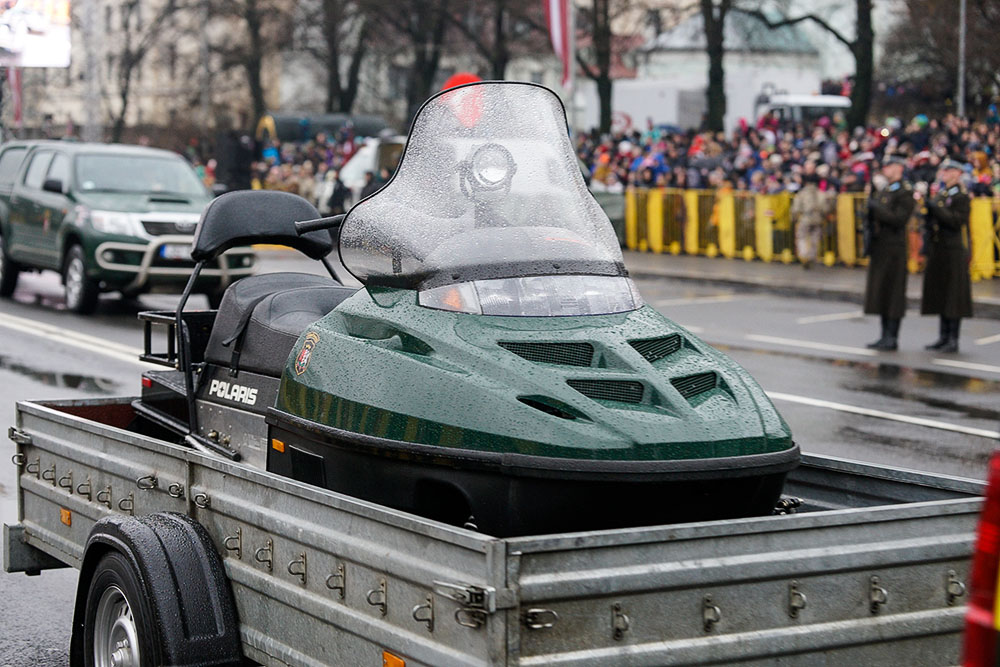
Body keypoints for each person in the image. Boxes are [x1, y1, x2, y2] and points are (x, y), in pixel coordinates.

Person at [919, 159, 973, 352]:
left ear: (958, 173)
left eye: (949, 170)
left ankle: (953, 338)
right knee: (942, 293)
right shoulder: (943, 192)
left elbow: (956, 221)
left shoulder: (961, 195)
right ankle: (943, 336)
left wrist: (935, 209)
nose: (945, 172)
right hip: (939, 247)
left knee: (953, 295)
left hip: (952, 249)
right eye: (945, 169)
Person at [863, 156, 916, 350]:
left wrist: (877, 207)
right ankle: (883, 334)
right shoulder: (885, 190)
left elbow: (899, 219)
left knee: (893, 293)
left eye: (889, 166)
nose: (885, 169)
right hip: (880, 247)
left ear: (898, 168)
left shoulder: (904, 192)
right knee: (882, 292)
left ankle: (892, 336)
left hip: (894, 248)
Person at [791, 173, 833, 269]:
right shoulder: (821, 194)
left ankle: (804, 255)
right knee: (815, 239)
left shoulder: (802, 194)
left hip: (805, 218)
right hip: (818, 219)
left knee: (801, 237)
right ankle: (811, 257)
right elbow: (826, 209)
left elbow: (796, 208)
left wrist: (794, 217)